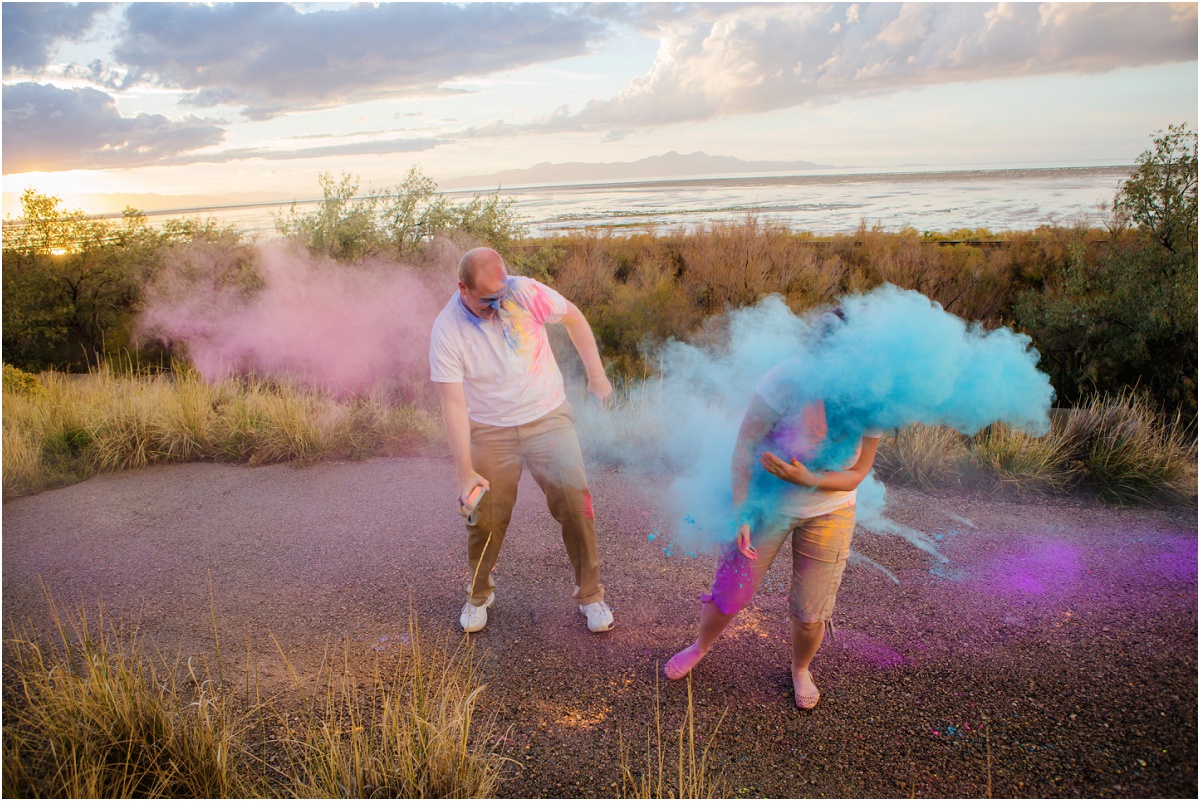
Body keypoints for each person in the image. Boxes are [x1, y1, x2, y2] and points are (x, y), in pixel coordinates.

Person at [663, 321, 880, 709]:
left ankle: (801, 669)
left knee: (812, 612)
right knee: (732, 591)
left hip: (831, 509)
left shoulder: (876, 397)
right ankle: (700, 646)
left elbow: (859, 473)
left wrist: (810, 479)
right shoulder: (785, 381)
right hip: (767, 501)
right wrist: (741, 511)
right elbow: (745, 445)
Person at [429, 247, 615, 634]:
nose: (497, 306)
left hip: (547, 416)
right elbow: (452, 403)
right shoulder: (447, 329)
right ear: (462, 288)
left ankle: (591, 595)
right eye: (486, 300)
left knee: (575, 504)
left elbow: (574, 318)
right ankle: (479, 594)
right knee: (484, 516)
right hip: (491, 428)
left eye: (501, 296)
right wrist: (464, 473)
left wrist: (596, 375)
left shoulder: (524, 291)